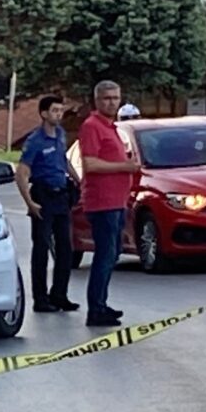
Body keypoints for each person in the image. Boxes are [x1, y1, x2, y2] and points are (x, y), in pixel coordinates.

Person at [74, 79, 139, 328]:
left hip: (116, 201)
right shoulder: (92, 126)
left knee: (112, 254)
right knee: (105, 255)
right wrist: (125, 166)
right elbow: (90, 164)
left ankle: (101, 303)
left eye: (115, 98)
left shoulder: (111, 127)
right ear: (97, 100)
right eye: (107, 98)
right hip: (102, 203)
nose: (112, 102)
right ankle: (96, 309)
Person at [15, 95, 79, 313]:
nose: (59, 115)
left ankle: (60, 295)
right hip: (43, 196)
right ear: (43, 114)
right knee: (41, 249)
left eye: (60, 110)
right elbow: (22, 172)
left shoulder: (60, 135)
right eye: (54, 111)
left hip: (61, 195)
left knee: (65, 249)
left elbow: (64, 160)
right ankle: (40, 300)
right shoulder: (35, 141)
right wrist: (30, 203)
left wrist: (78, 181)